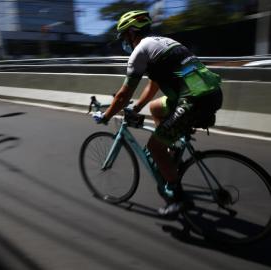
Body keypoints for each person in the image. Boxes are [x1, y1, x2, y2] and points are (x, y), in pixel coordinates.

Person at [92, 10, 223, 218]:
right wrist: (137, 107)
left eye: (125, 36)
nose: (124, 42)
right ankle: (173, 150)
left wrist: (106, 116)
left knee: (154, 147)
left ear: (133, 32)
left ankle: (177, 198)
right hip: (210, 93)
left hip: (193, 100)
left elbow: (124, 94)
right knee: (155, 108)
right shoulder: (162, 43)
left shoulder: (139, 51)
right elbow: (152, 87)